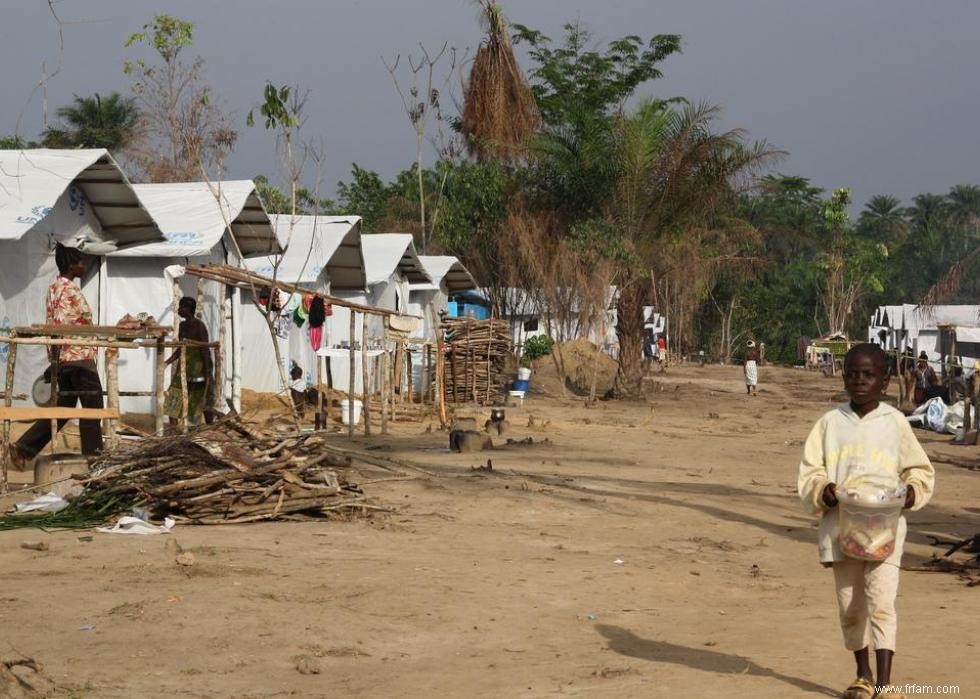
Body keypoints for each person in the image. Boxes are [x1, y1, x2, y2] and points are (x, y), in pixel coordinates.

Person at [798, 343, 935, 699]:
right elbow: (811, 472)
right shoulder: (829, 424)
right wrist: (822, 490)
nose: (860, 381)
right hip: (841, 529)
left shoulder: (895, 424)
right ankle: (862, 674)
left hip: (885, 530)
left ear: (884, 380)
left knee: (882, 602)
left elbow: (919, 470)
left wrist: (911, 493)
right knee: (850, 605)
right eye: (853, 374)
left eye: (868, 374)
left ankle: (886, 685)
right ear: (844, 377)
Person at [10, 244, 104, 465]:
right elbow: (75, 322)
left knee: (64, 408)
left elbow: (56, 323)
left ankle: (24, 448)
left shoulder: (53, 287)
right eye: (81, 262)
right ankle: (95, 459)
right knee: (93, 408)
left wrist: (54, 360)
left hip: (62, 358)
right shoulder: (70, 288)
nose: (84, 265)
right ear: (72, 265)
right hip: (79, 357)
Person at [164, 297, 214, 426]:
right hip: (184, 366)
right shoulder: (182, 326)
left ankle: (210, 428)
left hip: (199, 367)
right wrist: (167, 362)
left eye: (181, 307)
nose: (178, 310)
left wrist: (207, 371)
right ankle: (173, 432)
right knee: (174, 397)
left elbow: (205, 349)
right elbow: (181, 348)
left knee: (202, 396)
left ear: (187, 309)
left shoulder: (199, 326)